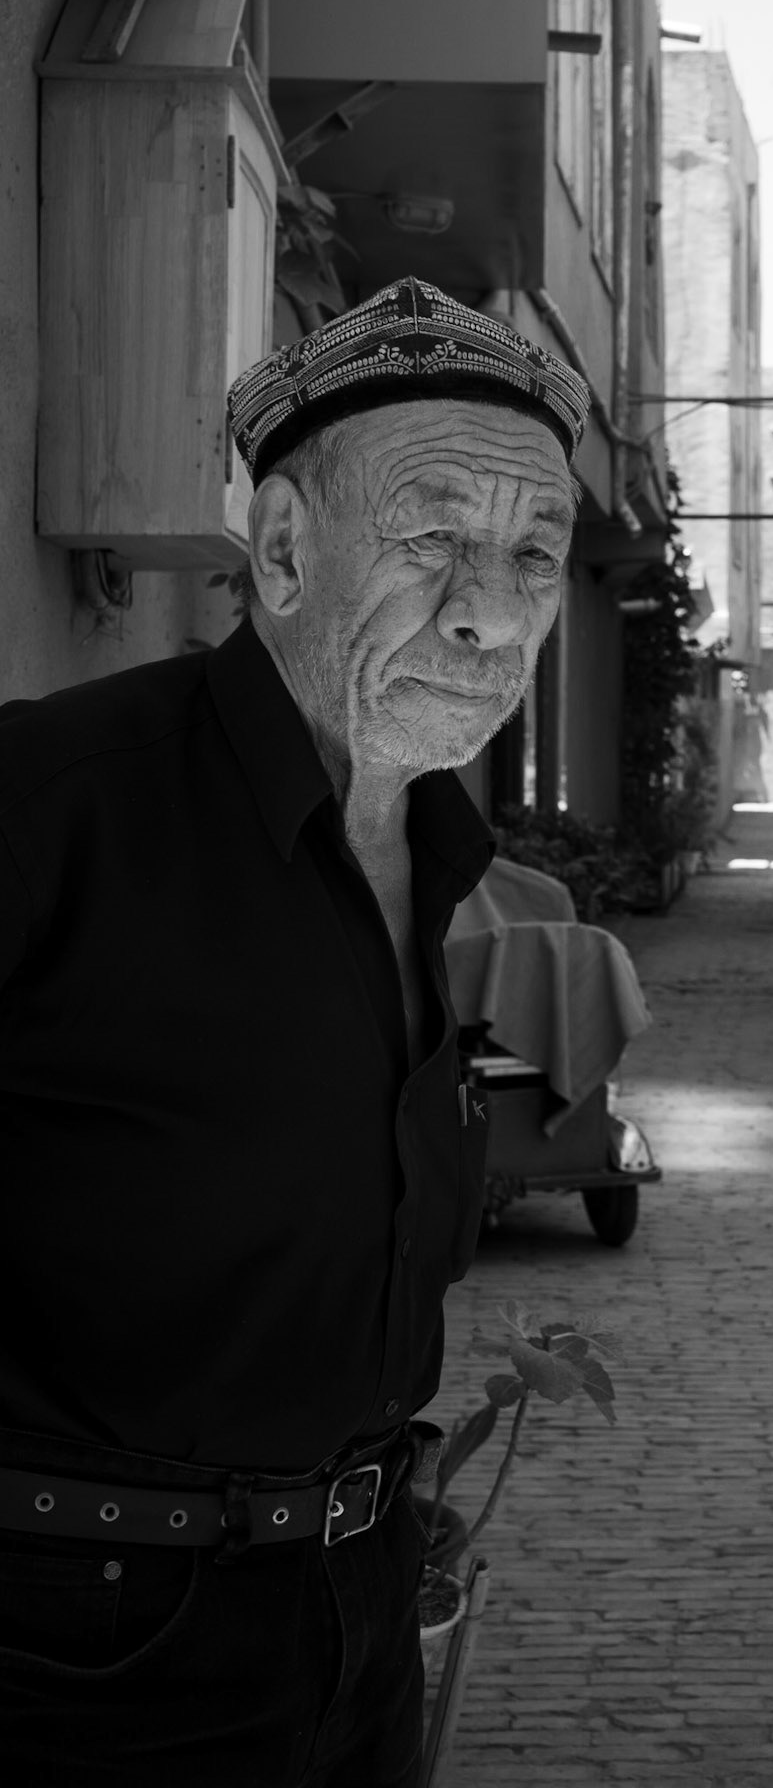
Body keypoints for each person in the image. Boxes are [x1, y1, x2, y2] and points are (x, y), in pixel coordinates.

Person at [0, 276, 587, 1786]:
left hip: (356, 1613)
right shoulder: (48, 810)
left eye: (535, 553)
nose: (492, 609)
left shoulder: (449, 859)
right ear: (277, 549)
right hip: (72, 1654)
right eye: (432, 536)